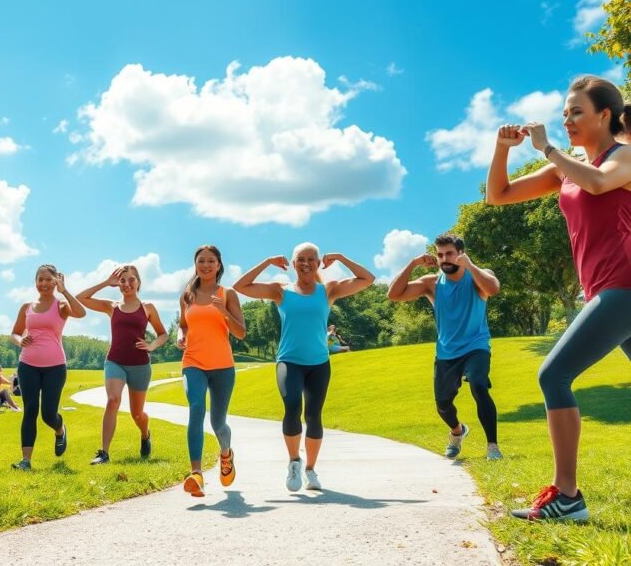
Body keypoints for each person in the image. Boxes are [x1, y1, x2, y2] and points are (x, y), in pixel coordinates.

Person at [486, 75, 631, 522]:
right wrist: (502, 149)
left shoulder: (623, 156)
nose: (566, 119)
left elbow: (598, 185)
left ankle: (567, 497)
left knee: (553, 376)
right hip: (606, 289)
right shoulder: (564, 169)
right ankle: (567, 497)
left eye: (576, 112)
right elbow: (499, 195)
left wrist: (548, 148)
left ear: (604, 115)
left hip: (623, 287)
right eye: (564, 112)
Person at [234, 245, 374, 492]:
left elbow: (367, 279)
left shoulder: (328, 291)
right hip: (289, 361)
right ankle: (294, 463)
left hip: (319, 363)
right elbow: (240, 286)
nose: (306, 263)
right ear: (293, 262)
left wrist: (341, 257)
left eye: (311, 259)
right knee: (291, 406)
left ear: (319, 262)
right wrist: (267, 261)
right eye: (301, 259)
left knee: (313, 415)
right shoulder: (281, 291)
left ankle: (310, 469)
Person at [387, 234, 503, 462]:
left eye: (449, 253)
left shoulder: (478, 275)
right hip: (447, 352)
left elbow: (493, 289)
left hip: (476, 346)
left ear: (460, 253)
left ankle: (492, 447)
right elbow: (394, 295)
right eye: (440, 255)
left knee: (479, 385)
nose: (444, 259)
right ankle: (457, 431)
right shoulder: (432, 283)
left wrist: (470, 265)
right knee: (443, 405)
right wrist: (413, 263)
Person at [77, 265, 168, 464]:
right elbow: (80, 298)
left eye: (131, 280)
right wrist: (105, 283)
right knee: (113, 400)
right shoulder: (112, 306)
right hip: (115, 361)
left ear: (138, 282)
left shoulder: (148, 307)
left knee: (137, 414)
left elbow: (163, 334)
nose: (126, 284)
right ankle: (104, 453)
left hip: (140, 365)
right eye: (122, 281)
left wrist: (151, 345)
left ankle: (145, 434)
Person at [178, 245, 245, 496]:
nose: (205, 265)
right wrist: (180, 336)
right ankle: (196, 474)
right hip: (193, 361)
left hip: (223, 366)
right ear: (195, 264)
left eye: (210, 261)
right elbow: (183, 325)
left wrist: (223, 310)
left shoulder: (227, 294)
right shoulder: (187, 294)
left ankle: (226, 454)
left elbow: (240, 332)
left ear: (219, 266)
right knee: (196, 407)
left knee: (218, 423)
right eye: (201, 261)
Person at [9, 264, 87, 470]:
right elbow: (15, 333)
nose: (43, 284)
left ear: (56, 281)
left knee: (48, 414)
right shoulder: (27, 306)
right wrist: (20, 341)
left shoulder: (61, 305)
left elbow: (81, 312)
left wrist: (65, 291)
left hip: (55, 367)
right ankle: (26, 461)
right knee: (30, 410)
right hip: (27, 365)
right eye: (39, 280)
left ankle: (60, 429)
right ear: (35, 282)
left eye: (48, 280)